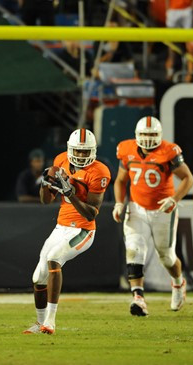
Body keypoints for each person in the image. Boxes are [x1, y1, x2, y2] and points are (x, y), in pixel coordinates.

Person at [23, 129, 111, 335]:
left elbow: (91, 214)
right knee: (38, 278)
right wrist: (46, 184)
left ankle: (50, 321)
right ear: (70, 150)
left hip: (83, 230)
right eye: (78, 151)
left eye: (85, 151)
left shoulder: (100, 172)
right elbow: (46, 200)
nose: (81, 156)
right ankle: (39, 323)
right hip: (61, 227)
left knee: (54, 259)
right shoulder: (61, 161)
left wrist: (70, 193)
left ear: (93, 151)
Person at [112, 116, 193, 315]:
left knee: (166, 257)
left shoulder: (169, 151)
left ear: (159, 136)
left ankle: (177, 283)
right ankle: (138, 297)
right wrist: (119, 202)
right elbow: (120, 181)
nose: (148, 139)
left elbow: (188, 179)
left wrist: (174, 199)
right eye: (145, 135)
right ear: (137, 135)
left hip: (162, 210)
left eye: (152, 135)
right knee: (134, 250)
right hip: (137, 208)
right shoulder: (126, 149)